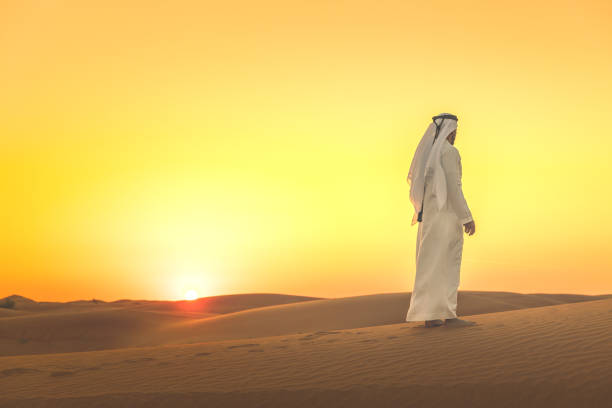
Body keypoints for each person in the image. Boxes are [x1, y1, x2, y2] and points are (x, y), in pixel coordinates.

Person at [405, 113, 476, 328]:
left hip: (428, 220)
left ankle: (431, 315)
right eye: (454, 130)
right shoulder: (449, 152)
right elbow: (454, 188)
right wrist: (467, 217)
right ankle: (449, 315)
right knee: (447, 265)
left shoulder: (429, 156)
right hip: (445, 219)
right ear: (448, 131)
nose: (455, 134)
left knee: (430, 265)